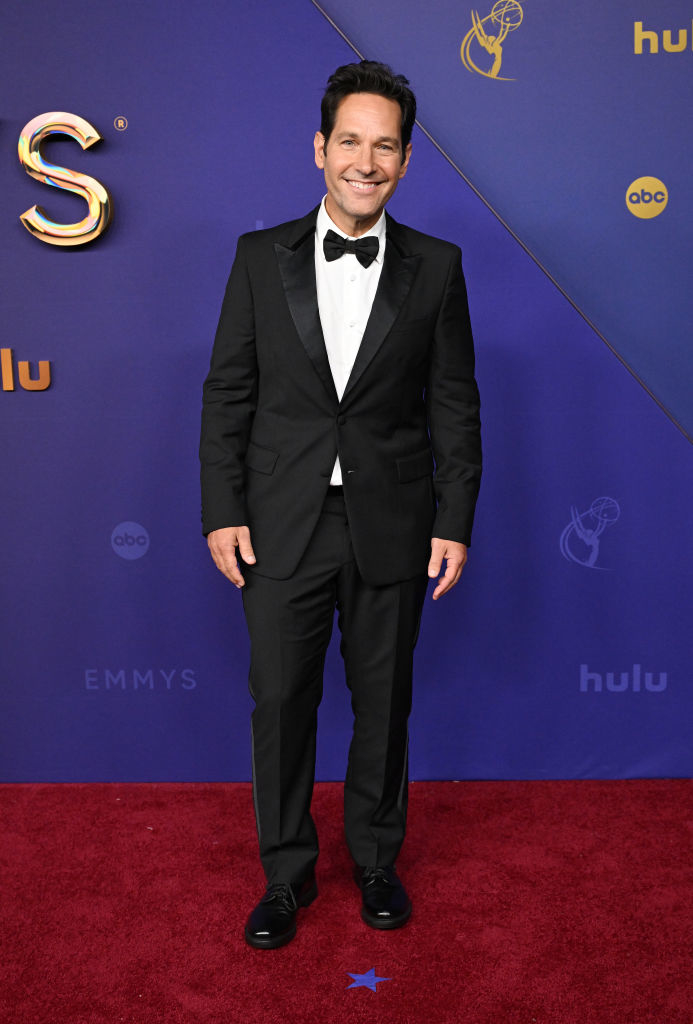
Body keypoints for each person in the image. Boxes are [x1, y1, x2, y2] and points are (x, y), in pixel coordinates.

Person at [199, 60, 482, 949]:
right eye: (350, 141)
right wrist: (221, 508)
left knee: (382, 701)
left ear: (406, 159)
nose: (366, 160)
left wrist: (453, 519)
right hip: (281, 522)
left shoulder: (437, 267)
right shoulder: (258, 256)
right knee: (279, 703)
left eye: (385, 145)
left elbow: (454, 405)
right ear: (320, 148)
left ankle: (374, 861)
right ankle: (284, 878)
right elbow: (227, 395)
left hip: (393, 523)